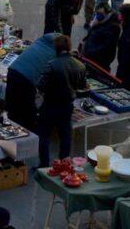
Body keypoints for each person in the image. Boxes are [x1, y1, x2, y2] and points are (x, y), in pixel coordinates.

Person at [36, 35, 86, 168]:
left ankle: (44, 165)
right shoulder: (79, 65)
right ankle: (64, 163)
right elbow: (82, 86)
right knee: (65, 135)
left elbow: (41, 85)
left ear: (56, 48)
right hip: (67, 105)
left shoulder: (52, 64)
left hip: (50, 104)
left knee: (44, 135)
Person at [5, 33, 60, 132]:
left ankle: (11, 128)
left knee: (13, 105)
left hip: (13, 71)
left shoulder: (38, 43)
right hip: (27, 78)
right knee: (27, 110)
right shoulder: (54, 53)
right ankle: (27, 136)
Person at [79, 3, 121, 71]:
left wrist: (90, 53)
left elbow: (106, 47)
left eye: (100, 14)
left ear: (108, 14)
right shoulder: (100, 22)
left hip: (99, 62)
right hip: (90, 58)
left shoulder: (113, 28)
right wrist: (92, 26)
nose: (98, 16)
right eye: (97, 14)